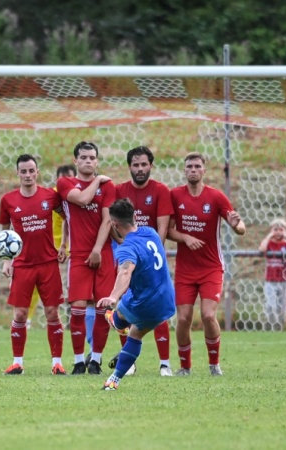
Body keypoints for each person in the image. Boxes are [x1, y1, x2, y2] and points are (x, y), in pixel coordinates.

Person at [168, 152, 246, 376]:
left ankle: (214, 364)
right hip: (185, 270)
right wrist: (185, 237)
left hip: (211, 267)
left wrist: (235, 225)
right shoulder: (175, 195)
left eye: (197, 166)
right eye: (189, 166)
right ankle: (185, 367)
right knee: (183, 318)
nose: (193, 170)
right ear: (184, 171)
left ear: (204, 170)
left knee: (208, 315)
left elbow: (240, 227)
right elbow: (168, 230)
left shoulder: (216, 197)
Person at [0, 154, 68, 375]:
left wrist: (64, 245)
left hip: (48, 263)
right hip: (23, 265)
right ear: (17, 173)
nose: (28, 175)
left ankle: (57, 363)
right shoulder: (8, 200)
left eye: (31, 171)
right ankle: (17, 362)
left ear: (37, 172)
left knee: (52, 313)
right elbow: (4, 232)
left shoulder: (50, 196)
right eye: (23, 171)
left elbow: (67, 218)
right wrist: (7, 260)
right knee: (19, 314)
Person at [110, 146, 175, 376]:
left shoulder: (161, 190)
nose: (140, 169)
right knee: (128, 308)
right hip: (128, 255)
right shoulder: (119, 190)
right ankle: (130, 364)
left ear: (151, 165)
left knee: (149, 309)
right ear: (129, 166)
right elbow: (112, 224)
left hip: (148, 259)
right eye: (135, 165)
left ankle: (165, 363)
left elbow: (163, 229)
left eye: (143, 164)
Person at [98, 198, 176, 390]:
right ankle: (113, 381)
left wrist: (113, 297)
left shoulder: (126, 248)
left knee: (123, 315)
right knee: (135, 334)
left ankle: (116, 319)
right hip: (167, 301)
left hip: (143, 305)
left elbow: (125, 271)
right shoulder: (150, 232)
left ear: (114, 224)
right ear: (135, 217)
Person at [57, 141, 116, 375]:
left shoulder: (108, 186)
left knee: (104, 308)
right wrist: (96, 181)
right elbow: (81, 200)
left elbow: (107, 220)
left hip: (104, 252)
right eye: (83, 158)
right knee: (78, 308)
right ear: (75, 161)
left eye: (92, 158)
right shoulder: (65, 183)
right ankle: (79, 360)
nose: (88, 161)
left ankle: (96, 361)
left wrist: (98, 249)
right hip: (79, 254)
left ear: (97, 160)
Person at [26, 164, 75, 330]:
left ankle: (74, 321)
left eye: (68, 178)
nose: (64, 181)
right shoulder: (50, 196)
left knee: (74, 286)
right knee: (36, 285)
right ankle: (27, 319)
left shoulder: (78, 196)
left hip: (74, 247)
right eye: (61, 178)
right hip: (50, 247)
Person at [258, 218, 286, 331]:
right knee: (270, 306)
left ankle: (281, 327)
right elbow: (262, 249)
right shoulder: (269, 243)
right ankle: (271, 326)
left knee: (282, 306)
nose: (278, 232)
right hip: (270, 279)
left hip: (283, 279)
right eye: (276, 229)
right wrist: (269, 235)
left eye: (281, 229)